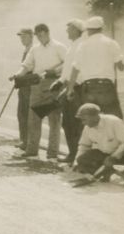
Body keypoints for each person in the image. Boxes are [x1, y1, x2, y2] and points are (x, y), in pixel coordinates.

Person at [11, 23, 67, 161]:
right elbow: (27, 65)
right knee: (33, 118)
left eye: (42, 35)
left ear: (48, 33)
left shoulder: (59, 46)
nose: (40, 38)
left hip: (54, 85)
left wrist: (55, 71)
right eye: (37, 35)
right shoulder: (35, 49)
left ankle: (52, 152)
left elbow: (68, 63)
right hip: (37, 85)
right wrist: (18, 75)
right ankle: (32, 150)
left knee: (54, 120)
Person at [66, 16, 124, 118]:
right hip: (106, 87)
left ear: (88, 30)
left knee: (91, 120)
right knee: (114, 118)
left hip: (88, 88)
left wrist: (70, 89)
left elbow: (75, 69)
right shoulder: (111, 43)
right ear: (101, 28)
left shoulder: (83, 45)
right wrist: (117, 60)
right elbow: (121, 67)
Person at [73, 103, 124, 188]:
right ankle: (107, 172)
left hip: (121, 155)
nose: (83, 123)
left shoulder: (114, 121)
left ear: (95, 116)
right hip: (104, 155)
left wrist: (113, 157)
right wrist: (76, 162)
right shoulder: (88, 127)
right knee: (81, 160)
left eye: (84, 119)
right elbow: (84, 145)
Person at [54, 18, 86, 165]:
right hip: (68, 86)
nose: (67, 31)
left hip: (77, 88)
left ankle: (77, 155)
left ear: (76, 30)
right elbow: (67, 69)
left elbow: (78, 70)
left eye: (69, 29)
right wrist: (60, 81)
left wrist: (70, 87)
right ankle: (72, 153)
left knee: (75, 122)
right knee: (67, 122)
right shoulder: (73, 45)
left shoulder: (81, 45)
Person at [14, 27, 35, 149]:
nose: (22, 39)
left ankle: (27, 141)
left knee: (26, 113)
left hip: (29, 86)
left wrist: (21, 78)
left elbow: (32, 70)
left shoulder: (33, 50)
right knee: (21, 113)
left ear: (31, 36)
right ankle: (23, 140)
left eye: (24, 37)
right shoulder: (26, 49)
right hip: (23, 85)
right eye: (21, 37)